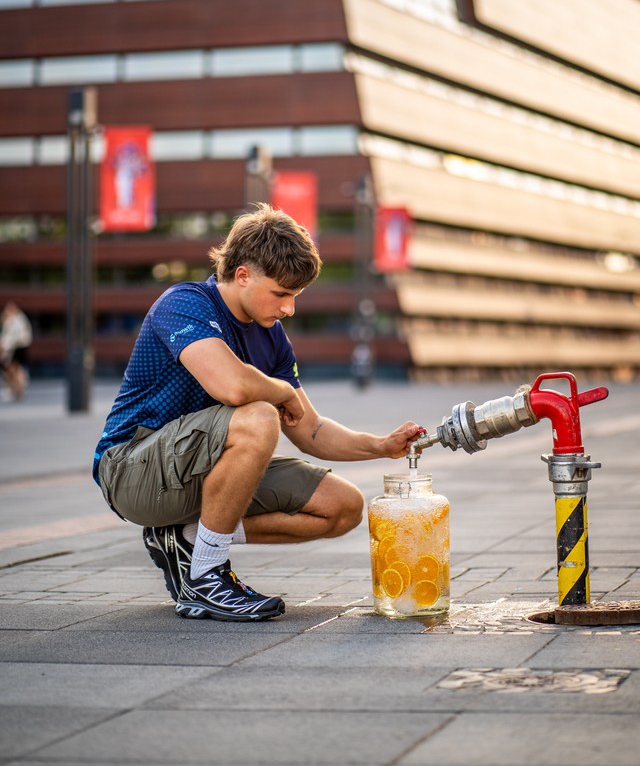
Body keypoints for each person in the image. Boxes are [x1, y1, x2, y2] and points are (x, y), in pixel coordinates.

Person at [93, 204, 422, 622]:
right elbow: (231, 385)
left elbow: (310, 428)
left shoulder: (272, 336)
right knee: (260, 416)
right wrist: (281, 389)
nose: (289, 309)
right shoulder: (184, 303)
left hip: (198, 469)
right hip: (131, 470)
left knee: (343, 506)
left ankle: (187, 538)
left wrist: (381, 445)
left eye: (296, 297)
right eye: (282, 294)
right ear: (243, 274)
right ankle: (207, 576)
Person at [0, 301, 32, 401]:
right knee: (13, 369)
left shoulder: (18, 320)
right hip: (13, 348)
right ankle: (16, 390)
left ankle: (17, 390)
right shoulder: (11, 320)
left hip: (16, 348)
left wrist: (5, 345)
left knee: (14, 369)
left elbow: (16, 337)